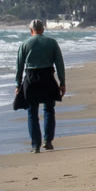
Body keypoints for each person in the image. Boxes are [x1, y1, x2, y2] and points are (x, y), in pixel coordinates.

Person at [15, 19, 66, 153]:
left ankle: (35, 145)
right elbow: (59, 64)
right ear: (43, 30)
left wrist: (17, 85)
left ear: (31, 30)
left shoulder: (24, 44)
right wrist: (62, 82)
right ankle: (47, 141)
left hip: (31, 79)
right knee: (49, 109)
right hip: (48, 77)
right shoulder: (52, 43)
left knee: (32, 112)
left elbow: (19, 67)